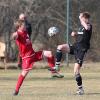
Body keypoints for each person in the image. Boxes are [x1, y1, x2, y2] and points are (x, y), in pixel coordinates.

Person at [12, 20, 64, 95]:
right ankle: (16, 90)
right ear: (19, 27)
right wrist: (15, 34)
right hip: (27, 57)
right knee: (24, 73)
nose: (25, 26)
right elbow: (15, 36)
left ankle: (53, 72)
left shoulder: (25, 32)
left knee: (49, 54)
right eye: (23, 25)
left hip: (33, 54)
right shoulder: (18, 34)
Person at [49, 12, 92, 95]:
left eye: (81, 17)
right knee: (60, 47)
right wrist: (75, 34)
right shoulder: (81, 28)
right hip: (75, 47)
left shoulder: (89, 25)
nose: (80, 19)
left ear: (85, 18)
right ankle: (57, 67)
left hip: (81, 50)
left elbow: (87, 28)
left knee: (76, 71)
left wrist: (80, 18)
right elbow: (81, 36)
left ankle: (80, 89)